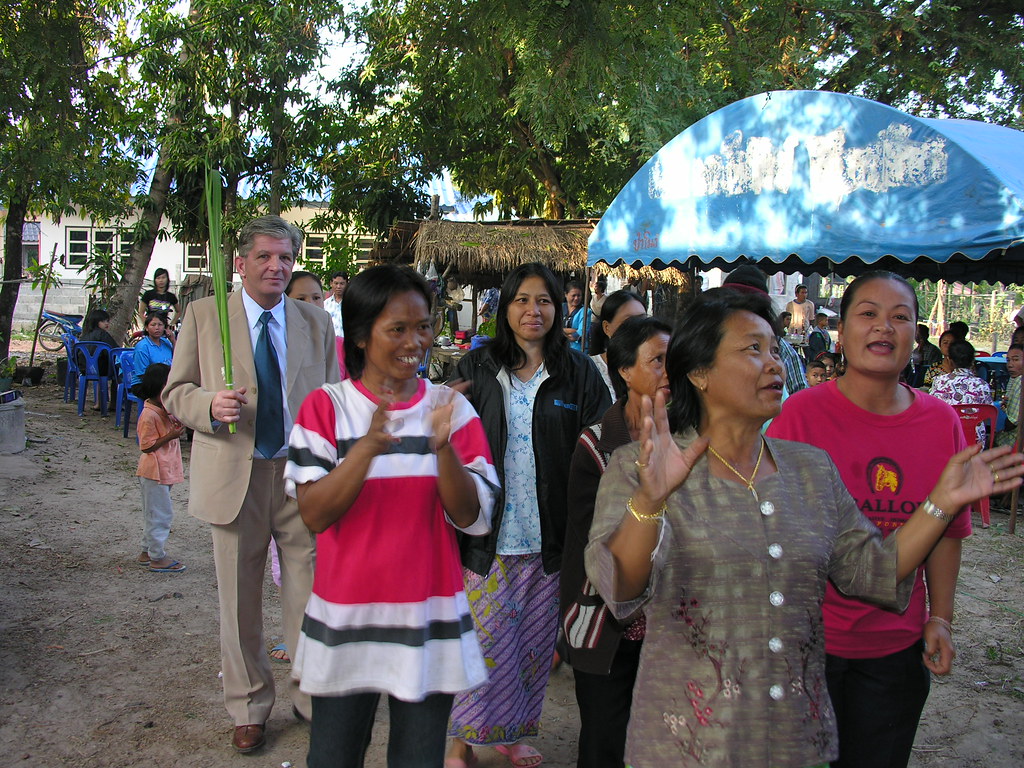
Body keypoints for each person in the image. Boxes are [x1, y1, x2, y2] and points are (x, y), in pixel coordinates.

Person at [585, 286, 1023, 768]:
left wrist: (940, 502)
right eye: (753, 349)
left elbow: (874, 572)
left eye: (774, 348)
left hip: (798, 739)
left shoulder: (812, 469)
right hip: (688, 743)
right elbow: (620, 585)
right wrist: (650, 501)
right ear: (700, 372)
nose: (774, 363)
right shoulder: (637, 468)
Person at [284, 264, 498, 768]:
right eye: (397, 329)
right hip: (346, 617)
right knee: (333, 757)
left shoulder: (452, 410)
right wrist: (368, 448)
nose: (415, 341)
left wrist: (441, 449)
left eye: (423, 326)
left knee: (418, 759)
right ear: (360, 337)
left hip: (428, 617)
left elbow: (473, 518)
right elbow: (314, 514)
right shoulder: (324, 408)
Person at [768, 271, 981, 768]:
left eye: (900, 317)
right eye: (868, 314)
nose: (884, 327)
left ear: (916, 336)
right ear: (842, 333)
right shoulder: (799, 417)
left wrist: (941, 619)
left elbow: (948, 532)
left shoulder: (940, 422)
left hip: (895, 650)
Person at [163, 215, 339, 753]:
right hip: (234, 474)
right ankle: (248, 705)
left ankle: (313, 698)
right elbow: (175, 392)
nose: (276, 266)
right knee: (238, 602)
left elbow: (333, 398)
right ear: (240, 264)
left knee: (310, 597)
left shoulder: (315, 323)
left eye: (285, 257)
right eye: (264, 256)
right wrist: (209, 407)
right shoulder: (204, 315)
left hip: (300, 476)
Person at [447, 262, 611, 768]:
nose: (532, 310)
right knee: (481, 640)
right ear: (505, 308)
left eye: (544, 300)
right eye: (521, 299)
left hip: (551, 535)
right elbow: (439, 429)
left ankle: (511, 733)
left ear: (559, 307)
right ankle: (458, 743)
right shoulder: (475, 369)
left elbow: (603, 446)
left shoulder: (579, 372)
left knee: (532, 648)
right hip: (487, 533)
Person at [561, 315, 671, 767]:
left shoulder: (693, 440)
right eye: (658, 361)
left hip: (672, 627)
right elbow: (585, 546)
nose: (670, 371)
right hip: (605, 623)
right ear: (624, 370)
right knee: (605, 741)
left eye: (675, 360)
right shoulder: (596, 445)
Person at [722, 266, 808, 394]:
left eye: (774, 351)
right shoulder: (712, 343)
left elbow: (800, 396)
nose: (774, 366)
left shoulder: (782, 350)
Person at [134, 363, 186, 573]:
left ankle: (147, 551)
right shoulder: (149, 415)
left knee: (153, 513)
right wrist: (171, 436)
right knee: (161, 515)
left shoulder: (162, 410)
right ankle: (157, 556)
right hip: (153, 471)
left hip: (163, 471)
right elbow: (146, 446)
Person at [930, 340, 994, 444]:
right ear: (972, 361)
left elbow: (932, 410)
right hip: (975, 443)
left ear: (949, 360)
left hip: (946, 439)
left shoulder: (939, 381)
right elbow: (988, 415)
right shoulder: (981, 385)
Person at [588, 290, 648, 400]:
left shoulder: (653, 368)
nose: (637, 327)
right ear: (607, 327)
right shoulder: (589, 369)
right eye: (628, 321)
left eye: (642, 320)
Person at [287, 271, 346, 379]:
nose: (310, 304)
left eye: (316, 298)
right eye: (301, 299)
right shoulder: (279, 341)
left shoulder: (340, 346)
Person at [79, 308, 118, 408]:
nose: (106, 323)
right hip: (102, 369)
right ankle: (114, 403)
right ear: (96, 322)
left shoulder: (84, 336)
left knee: (102, 374)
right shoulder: (103, 335)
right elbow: (114, 350)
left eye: (107, 321)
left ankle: (99, 404)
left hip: (85, 369)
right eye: (103, 321)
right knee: (118, 372)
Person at [131, 312, 175, 396]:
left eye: (160, 325)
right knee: (170, 396)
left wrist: (173, 340)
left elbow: (178, 358)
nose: (157, 328)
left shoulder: (166, 342)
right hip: (144, 384)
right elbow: (142, 374)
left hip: (165, 381)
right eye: (153, 325)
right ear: (147, 328)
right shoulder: (142, 347)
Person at [997, 344, 1023, 447]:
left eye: (1016, 360)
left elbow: (1010, 423)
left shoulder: (1020, 381)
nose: (1010, 365)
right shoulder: (1014, 379)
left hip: (1012, 443)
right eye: (1008, 360)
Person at [563, 279, 587, 352]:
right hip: (560, 348)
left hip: (577, 350)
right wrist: (573, 330)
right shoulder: (560, 308)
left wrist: (561, 331)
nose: (576, 298)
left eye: (579, 295)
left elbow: (580, 333)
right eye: (573, 295)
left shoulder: (585, 311)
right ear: (566, 295)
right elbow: (554, 328)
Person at [323, 270, 348, 338]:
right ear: (331, 283)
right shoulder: (325, 304)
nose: (338, 287)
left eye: (342, 284)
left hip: (347, 343)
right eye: (336, 283)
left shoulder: (351, 303)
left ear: (347, 284)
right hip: (330, 343)